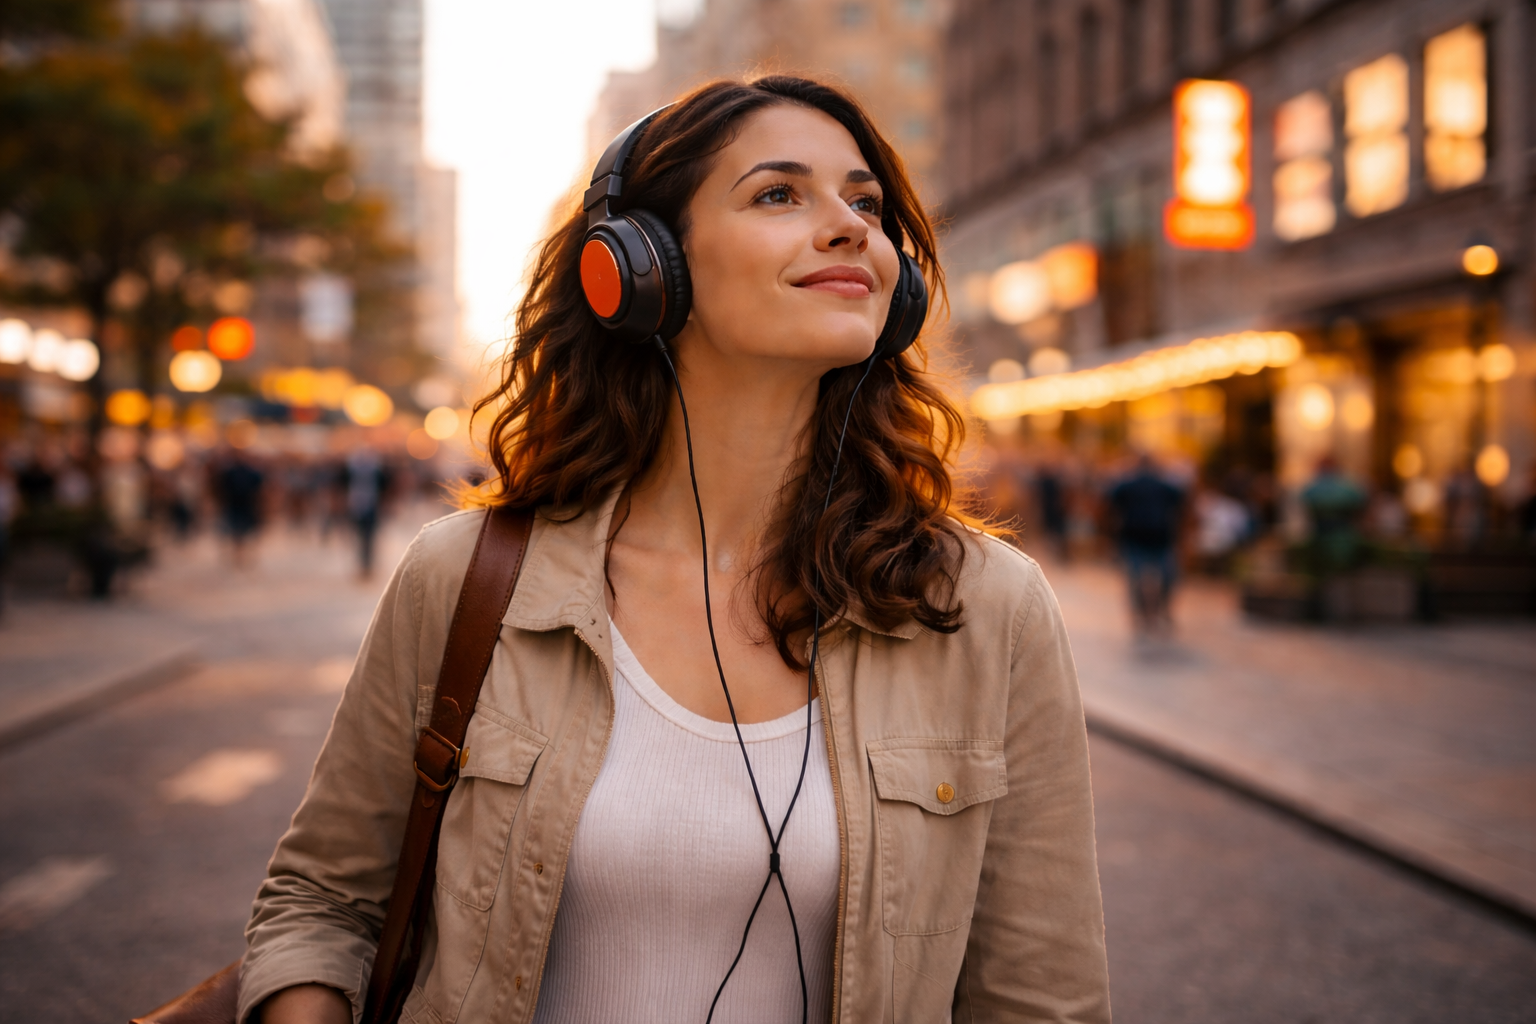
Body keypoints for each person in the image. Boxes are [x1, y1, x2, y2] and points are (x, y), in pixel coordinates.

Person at [243, 77, 1109, 1024]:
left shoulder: (987, 607)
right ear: (642, 268)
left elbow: (1042, 999)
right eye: (780, 194)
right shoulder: (466, 578)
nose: (849, 227)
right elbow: (323, 904)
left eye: (865, 203)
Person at [1107, 453, 1185, 635]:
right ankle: (1157, 612)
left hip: (1143, 538)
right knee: (1166, 576)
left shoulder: (1128, 485)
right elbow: (1182, 505)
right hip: (1155, 538)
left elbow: (1110, 507)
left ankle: (1146, 614)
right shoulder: (1162, 485)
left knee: (1139, 578)